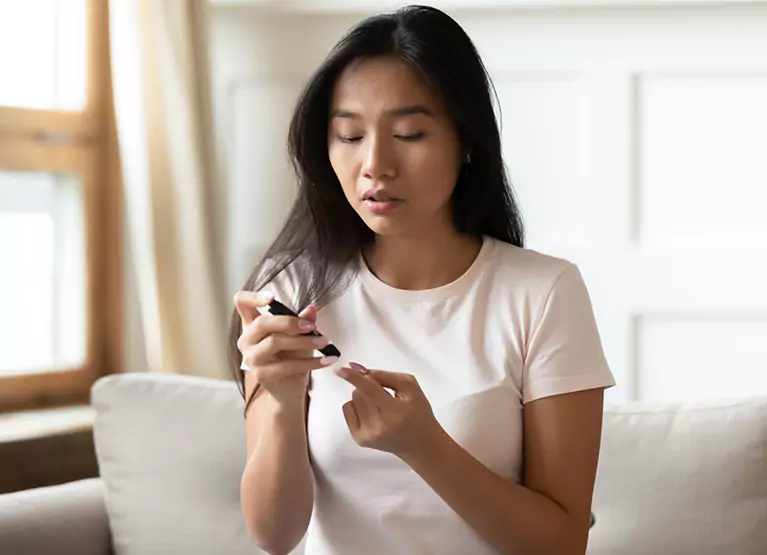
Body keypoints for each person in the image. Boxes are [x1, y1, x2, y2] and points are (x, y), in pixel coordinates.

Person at [231, 5, 615, 555]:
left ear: (466, 143)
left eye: (409, 134)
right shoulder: (290, 291)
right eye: (348, 135)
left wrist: (424, 446)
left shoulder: (542, 294)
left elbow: (560, 544)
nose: (375, 164)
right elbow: (273, 536)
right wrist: (282, 401)